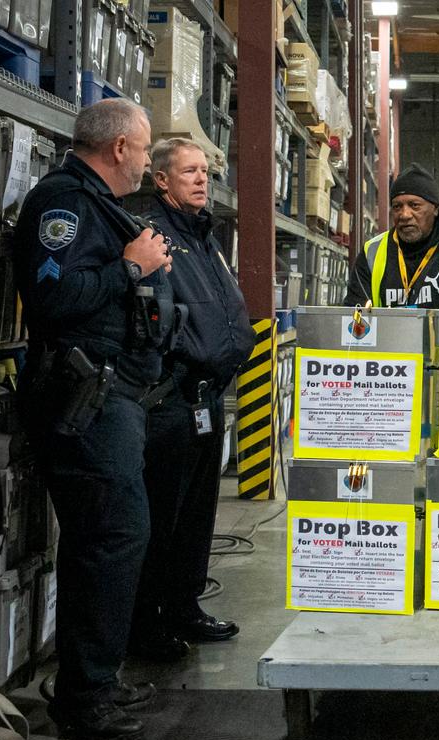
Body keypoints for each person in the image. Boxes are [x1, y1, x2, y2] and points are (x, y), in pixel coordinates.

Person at [13, 98, 174, 740]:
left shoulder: (99, 205)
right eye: (144, 149)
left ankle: (94, 680)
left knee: (111, 537)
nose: (147, 161)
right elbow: (53, 298)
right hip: (84, 400)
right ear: (118, 149)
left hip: (112, 399)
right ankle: (84, 696)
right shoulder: (67, 205)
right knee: (112, 535)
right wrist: (131, 266)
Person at [128, 138, 256, 661]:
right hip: (171, 396)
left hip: (207, 396)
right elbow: (151, 317)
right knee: (163, 516)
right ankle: (149, 623)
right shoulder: (151, 231)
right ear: (161, 179)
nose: (202, 180)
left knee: (198, 514)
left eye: (205, 171)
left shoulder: (203, 234)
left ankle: (185, 606)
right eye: (189, 172)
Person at [343, 163, 439, 308]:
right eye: (397, 206)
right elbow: (355, 315)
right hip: (389, 336)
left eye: (414, 205)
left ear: (435, 208)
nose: (404, 214)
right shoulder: (372, 252)